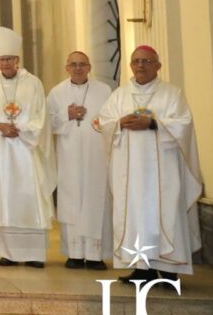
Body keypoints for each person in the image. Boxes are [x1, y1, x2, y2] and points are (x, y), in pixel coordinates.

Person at [99, 46, 202, 283]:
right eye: (136, 61)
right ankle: (142, 269)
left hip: (164, 173)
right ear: (131, 66)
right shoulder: (119, 95)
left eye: (146, 61)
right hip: (130, 173)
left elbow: (184, 124)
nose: (141, 65)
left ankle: (168, 269)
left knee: (166, 212)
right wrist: (119, 123)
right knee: (136, 215)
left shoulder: (172, 94)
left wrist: (153, 123)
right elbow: (103, 122)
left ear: (158, 65)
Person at [0, 27, 55, 268]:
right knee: (5, 199)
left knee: (28, 198)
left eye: (9, 59)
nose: (5, 64)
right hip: (1, 151)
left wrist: (19, 128)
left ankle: (34, 254)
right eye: (2, 60)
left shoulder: (33, 83)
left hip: (26, 151)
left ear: (17, 60)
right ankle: (8, 252)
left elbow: (41, 117)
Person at [47, 51, 112, 270]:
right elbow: (46, 124)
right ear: (67, 68)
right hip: (69, 156)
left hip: (96, 156)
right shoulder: (56, 93)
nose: (78, 68)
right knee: (71, 201)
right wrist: (67, 114)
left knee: (95, 200)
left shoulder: (104, 91)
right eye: (73, 64)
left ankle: (95, 254)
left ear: (89, 67)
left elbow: (112, 120)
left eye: (82, 64)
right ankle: (74, 253)